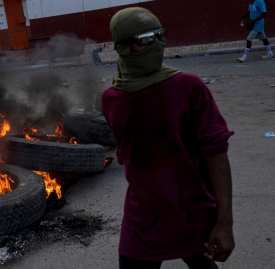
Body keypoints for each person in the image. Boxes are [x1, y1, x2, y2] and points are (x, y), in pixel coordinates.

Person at [101, 8, 235, 269]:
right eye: (146, 39)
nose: (157, 44)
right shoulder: (111, 99)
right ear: (123, 47)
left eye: (160, 35)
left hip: (192, 212)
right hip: (143, 219)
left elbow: (216, 153)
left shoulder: (188, 87)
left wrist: (224, 222)